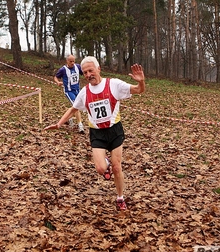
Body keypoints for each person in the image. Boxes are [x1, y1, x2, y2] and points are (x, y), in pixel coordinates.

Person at [45, 56, 146, 211]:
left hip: (114, 130)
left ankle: (120, 197)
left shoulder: (114, 84)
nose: (88, 74)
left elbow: (139, 90)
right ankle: (105, 163)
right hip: (97, 133)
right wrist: (59, 123)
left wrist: (141, 81)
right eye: (84, 72)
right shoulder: (84, 92)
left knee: (117, 167)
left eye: (91, 70)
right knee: (100, 169)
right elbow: (73, 109)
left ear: (98, 69)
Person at [54, 54, 85, 133]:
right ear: (67, 61)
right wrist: (58, 82)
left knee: (76, 107)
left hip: (78, 90)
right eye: (70, 61)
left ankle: (69, 118)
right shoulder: (63, 70)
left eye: (73, 61)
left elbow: (83, 73)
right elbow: (55, 77)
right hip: (69, 91)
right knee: (76, 106)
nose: (72, 63)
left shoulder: (77, 67)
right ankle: (80, 126)